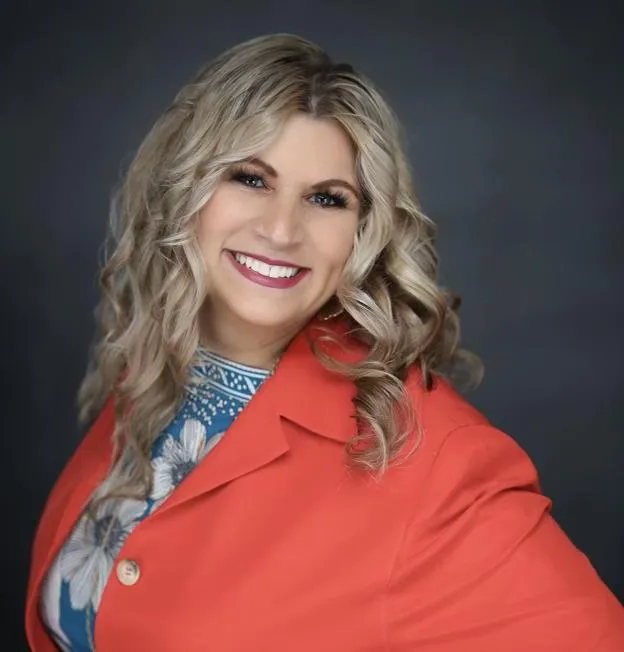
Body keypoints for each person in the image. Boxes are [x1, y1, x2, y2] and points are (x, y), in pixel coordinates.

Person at [25, 33, 623, 651]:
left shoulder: (433, 456)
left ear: (363, 231)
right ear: (184, 194)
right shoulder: (152, 375)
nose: (282, 229)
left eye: (326, 199)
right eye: (251, 179)